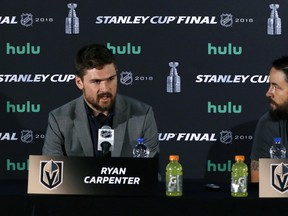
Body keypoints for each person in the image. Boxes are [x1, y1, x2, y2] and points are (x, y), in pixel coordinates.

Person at [42, 43, 159, 158]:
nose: (105, 88)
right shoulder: (59, 119)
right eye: (96, 81)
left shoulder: (143, 115)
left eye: (111, 79)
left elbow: (151, 173)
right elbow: (51, 172)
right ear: (79, 82)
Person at [250, 56, 288, 182]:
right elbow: (260, 183)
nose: (269, 92)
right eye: (270, 84)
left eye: (276, 86)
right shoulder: (269, 122)